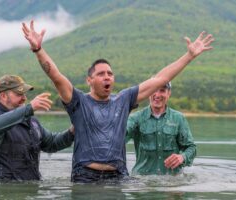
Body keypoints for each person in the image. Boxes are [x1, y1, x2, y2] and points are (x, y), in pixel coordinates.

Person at [22, 20, 213, 183]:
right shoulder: (78, 101)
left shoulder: (124, 99)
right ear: (89, 80)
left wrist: (189, 56)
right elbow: (55, 75)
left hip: (119, 177)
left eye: (110, 74)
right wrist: (38, 49)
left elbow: (160, 80)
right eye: (101, 74)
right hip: (85, 177)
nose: (107, 77)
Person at [0, 74, 74, 181]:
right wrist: (29, 108)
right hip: (1, 193)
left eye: (24, 93)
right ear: (3, 96)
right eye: (19, 94)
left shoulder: (31, 121)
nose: (24, 98)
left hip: (30, 191)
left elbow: (52, 143)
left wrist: (72, 132)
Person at [126, 82, 196, 175]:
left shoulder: (178, 118)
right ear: (148, 93)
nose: (157, 95)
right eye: (154, 90)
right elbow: (118, 138)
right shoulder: (135, 118)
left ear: (169, 93)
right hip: (142, 181)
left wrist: (182, 157)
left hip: (172, 181)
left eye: (162, 90)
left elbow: (191, 147)